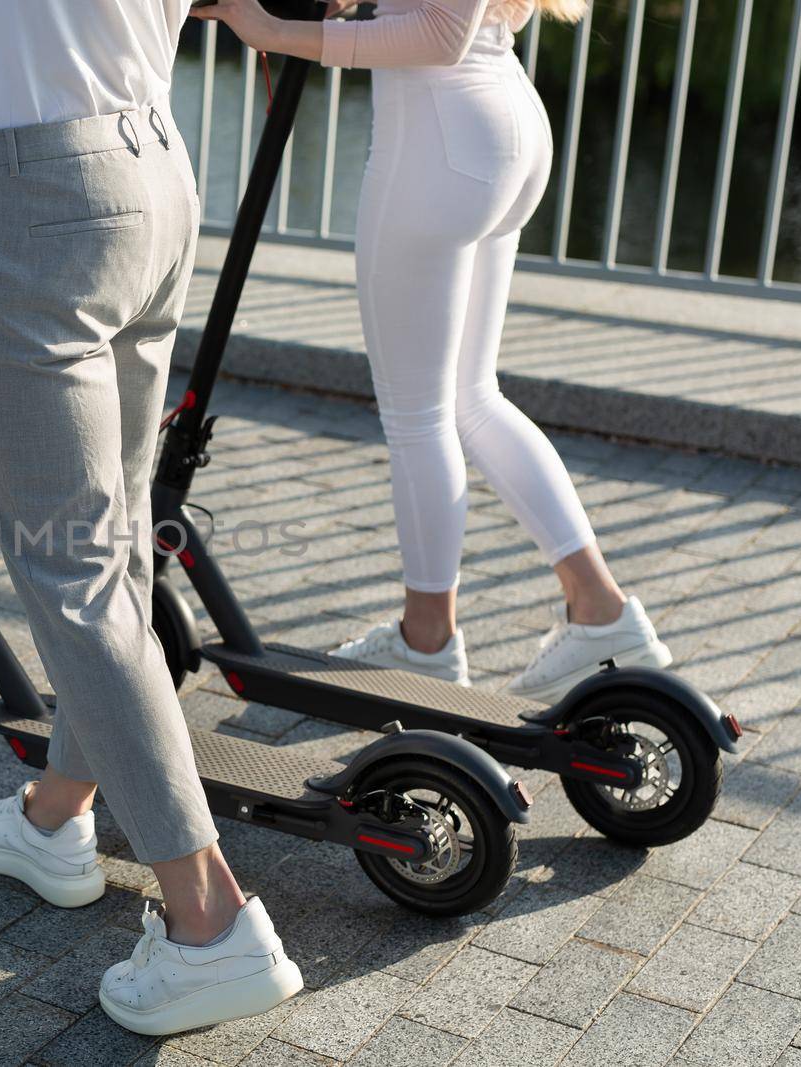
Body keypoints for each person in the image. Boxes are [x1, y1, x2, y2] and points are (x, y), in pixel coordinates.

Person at [0, 0, 303, 1036]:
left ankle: (209, 921)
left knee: (74, 566)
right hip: (151, 175)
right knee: (115, 537)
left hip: (33, 192)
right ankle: (57, 813)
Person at [192, 0, 672, 706]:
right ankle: (600, 610)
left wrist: (274, 34)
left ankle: (428, 643)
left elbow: (438, 34)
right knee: (474, 398)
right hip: (496, 121)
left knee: (419, 417)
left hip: (439, 139)